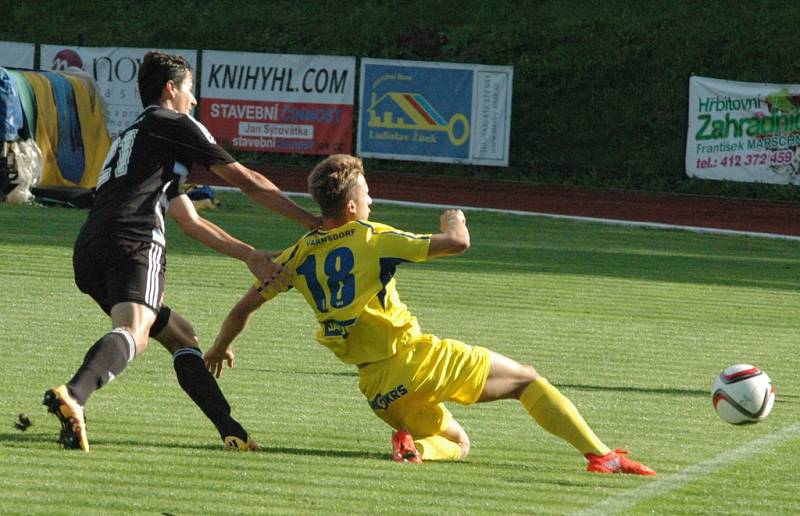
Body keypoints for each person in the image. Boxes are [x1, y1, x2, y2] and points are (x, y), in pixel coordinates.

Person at [205, 154, 656, 474]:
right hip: (413, 360)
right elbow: (457, 244)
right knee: (525, 379)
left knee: (457, 444)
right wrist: (454, 219)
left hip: (376, 387)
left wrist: (221, 346)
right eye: (366, 195)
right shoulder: (370, 236)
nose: (371, 201)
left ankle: (415, 447)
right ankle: (602, 456)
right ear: (349, 207)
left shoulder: (297, 254)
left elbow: (243, 309)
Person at [43, 51, 319, 452]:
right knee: (135, 333)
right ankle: (75, 395)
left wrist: (249, 255)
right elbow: (248, 179)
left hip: (90, 247)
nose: (194, 100)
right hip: (134, 240)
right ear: (170, 89)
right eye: (190, 89)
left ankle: (232, 431)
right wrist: (312, 222)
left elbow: (191, 222)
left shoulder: (134, 138)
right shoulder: (173, 123)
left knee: (181, 334)